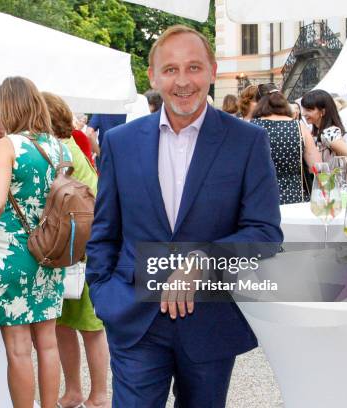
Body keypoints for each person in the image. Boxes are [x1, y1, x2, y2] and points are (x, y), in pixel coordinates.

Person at [85, 25, 283, 407]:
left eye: (193, 68)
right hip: (135, 316)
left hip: (209, 318)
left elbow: (265, 232)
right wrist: (103, 293)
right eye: (171, 69)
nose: (183, 81)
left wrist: (204, 259)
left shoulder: (247, 141)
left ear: (212, 70)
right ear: (153, 76)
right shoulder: (120, 143)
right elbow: (106, 230)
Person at [0, 76, 71, 408]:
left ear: (8, 106)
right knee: (47, 343)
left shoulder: (7, 145)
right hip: (48, 252)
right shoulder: (58, 146)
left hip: (10, 253)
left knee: (17, 349)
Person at [41, 92, 109, 408]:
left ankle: (97, 395)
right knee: (65, 324)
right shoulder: (62, 147)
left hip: (81, 248)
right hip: (70, 247)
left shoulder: (61, 150)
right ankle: (75, 392)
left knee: (89, 326)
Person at [250, 83, 320, 204]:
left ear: (258, 104)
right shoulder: (299, 127)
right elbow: (316, 166)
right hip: (295, 197)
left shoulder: (250, 127)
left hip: (260, 197)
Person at [301, 89, 347, 184]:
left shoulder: (329, 133)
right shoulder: (321, 132)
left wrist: (343, 183)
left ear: (323, 112)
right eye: (303, 109)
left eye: (309, 110)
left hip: (331, 189)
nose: (303, 113)